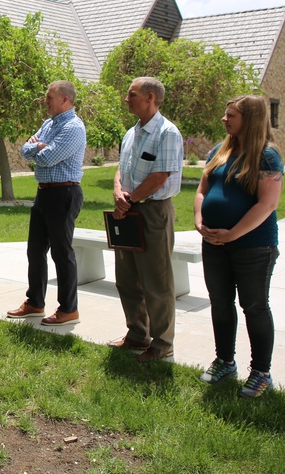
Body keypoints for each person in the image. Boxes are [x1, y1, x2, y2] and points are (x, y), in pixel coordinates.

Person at [194, 95, 284, 398]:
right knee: (220, 302)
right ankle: (225, 361)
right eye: (225, 113)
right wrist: (198, 219)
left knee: (254, 306)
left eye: (230, 114)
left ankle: (261, 372)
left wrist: (233, 233)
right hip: (214, 243)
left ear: (251, 119)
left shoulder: (267, 156)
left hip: (253, 247)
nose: (224, 119)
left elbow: (268, 203)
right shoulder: (218, 151)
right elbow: (202, 190)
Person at [110, 77, 184, 362]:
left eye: (132, 95)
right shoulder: (131, 133)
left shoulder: (167, 133)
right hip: (128, 209)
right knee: (127, 277)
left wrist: (129, 200)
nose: (126, 99)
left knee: (157, 280)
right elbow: (121, 169)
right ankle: (137, 334)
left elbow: (160, 176)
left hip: (152, 212)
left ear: (150, 97)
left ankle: (162, 342)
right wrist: (119, 191)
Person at [7, 81, 87, 325]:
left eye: (49, 96)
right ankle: (35, 303)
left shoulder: (73, 127)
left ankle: (68, 309)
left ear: (64, 99)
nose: (45, 101)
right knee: (35, 250)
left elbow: (48, 157)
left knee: (61, 253)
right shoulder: (49, 124)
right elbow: (24, 150)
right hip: (44, 193)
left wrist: (39, 147)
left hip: (64, 194)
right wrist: (37, 147)